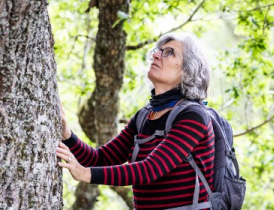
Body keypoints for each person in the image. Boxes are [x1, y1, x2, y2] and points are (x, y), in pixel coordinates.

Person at [56, 32, 214, 210]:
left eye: (169, 52)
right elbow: (99, 159)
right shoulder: (144, 116)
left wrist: (85, 174)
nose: (155, 55)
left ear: (188, 70)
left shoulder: (194, 116)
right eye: (158, 50)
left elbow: (151, 169)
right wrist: (67, 134)